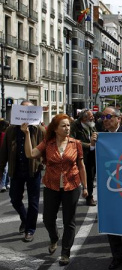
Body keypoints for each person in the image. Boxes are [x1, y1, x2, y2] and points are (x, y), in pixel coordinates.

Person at [22, 113, 88, 266]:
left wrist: (85, 187)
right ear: (56, 129)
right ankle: (54, 237)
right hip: (51, 186)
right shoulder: (48, 143)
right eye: (63, 126)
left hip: (72, 186)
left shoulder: (76, 143)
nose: (67, 128)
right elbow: (30, 154)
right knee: (47, 219)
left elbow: (81, 166)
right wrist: (26, 134)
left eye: (68, 125)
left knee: (69, 221)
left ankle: (65, 253)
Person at [0, 100, 45, 242]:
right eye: (23, 110)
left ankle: (30, 230)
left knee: (33, 202)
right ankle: (24, 219)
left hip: (33, 170)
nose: (26, 114)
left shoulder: (39, 130)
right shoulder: (11, 130)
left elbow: (46, 150)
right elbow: (3, 152)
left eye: (29, 111)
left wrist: (44, 164)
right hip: (16, 170)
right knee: (14, 198)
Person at [97, 107, 122, 269]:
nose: (105, 119)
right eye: (103, 117)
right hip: (108, 187)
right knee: (111, 220)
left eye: (108, 116)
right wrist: (93, 145)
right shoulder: (99, 135)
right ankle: (116, 256)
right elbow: (91, 160)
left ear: (118, 118)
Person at [70, 109, 97, 206]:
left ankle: (89, 196)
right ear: (84, 118)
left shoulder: (92, 125)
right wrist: (88, 145)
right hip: (78, 156)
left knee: (90, 176)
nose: (93, 118)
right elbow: (72, 140)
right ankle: (72, 196)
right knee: (76, 176)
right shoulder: (74, 126)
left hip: (91, 155)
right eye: (90, 116)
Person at [0, 119, 10, 192]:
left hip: (6, 153)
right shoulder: (4, 134)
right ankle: (4, 184)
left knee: (6, 169)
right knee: (5, 169)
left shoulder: (7, 134)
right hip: (4, 153)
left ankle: (5, 184)